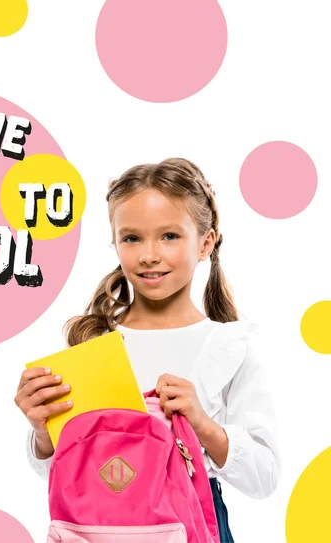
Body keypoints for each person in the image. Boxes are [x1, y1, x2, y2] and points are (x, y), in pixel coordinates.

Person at [14, 158, 280, 543]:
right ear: (116, 243)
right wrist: (42, 430)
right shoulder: (94, 346)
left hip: (191, 523)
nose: (148, 255)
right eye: (132, 238)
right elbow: (70, 473)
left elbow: (265, 477)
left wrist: (202, 425)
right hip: (98, 524)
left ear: (205, 243)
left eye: (170, 236)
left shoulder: (230, 347)